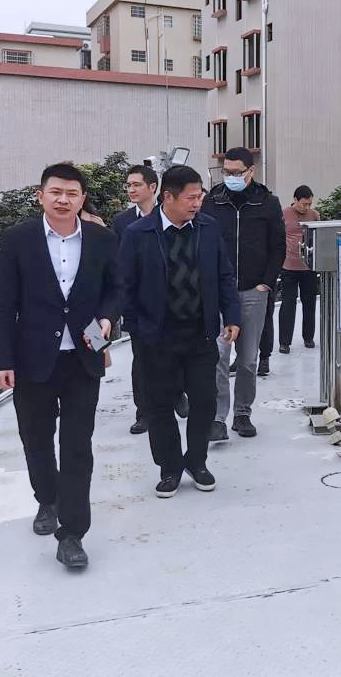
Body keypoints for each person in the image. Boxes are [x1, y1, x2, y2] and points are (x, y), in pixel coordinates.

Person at [0, 163, 120, 570]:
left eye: (72, 193)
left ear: (82, 199)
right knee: (36, 437)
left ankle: (73, 533)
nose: (63, 200)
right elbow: (2, 303)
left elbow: (116, 289)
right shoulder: (17, 239)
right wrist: (1, 360)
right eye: (56, 192)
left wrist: (106, 319)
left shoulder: (102, 239)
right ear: (41, 195)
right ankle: (47, 498)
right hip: (32, 359)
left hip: (83, 357)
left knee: (78, 445)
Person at [118, 165, 241, 497]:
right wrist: (137, 329)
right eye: (191, 197)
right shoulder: (138, 233)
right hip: (156, 337)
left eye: (200, 196)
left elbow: (225, 275)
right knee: (159, 406)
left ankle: (196, 462)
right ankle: (170, 468)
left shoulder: (208, 228)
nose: (197, 203)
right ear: (168, 197)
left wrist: (231, 316)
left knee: (204, 401)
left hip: (200, 333)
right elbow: (125, 286)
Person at [201, 147, 285, 440]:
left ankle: (242, 413)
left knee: (248, 360)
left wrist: (266, 283)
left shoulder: (267, 203)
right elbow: (203, 243)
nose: (231, 177)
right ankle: (217, 417)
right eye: (226, 172)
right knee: (219, 357)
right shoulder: (212, 201)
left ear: (251, 171)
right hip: (219, 293)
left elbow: (278, 246)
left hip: (253, 291)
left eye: (237, 172)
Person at [113, 165, 190, 432]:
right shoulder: (122, 222)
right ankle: (144, 411)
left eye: (136, 185)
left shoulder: (172, 215)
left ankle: (177, 392)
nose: (131, 190)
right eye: (128, 186)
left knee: (176, 354)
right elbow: (119, 265)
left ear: (153, 187)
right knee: (142, 360)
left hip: (175, 300)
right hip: (140, 304)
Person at [278, 185, 320, 352]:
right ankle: (284, 342)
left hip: (309, 267)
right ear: (295, 200)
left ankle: (308, 337)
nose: (306, 207)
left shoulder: (314, 215)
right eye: (304, 204)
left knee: (309, 303)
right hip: (289, 266)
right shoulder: (284, 214)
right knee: (288, 304)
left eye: (309, 204)